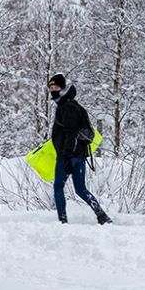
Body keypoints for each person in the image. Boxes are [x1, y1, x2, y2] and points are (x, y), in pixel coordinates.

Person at [49, 74, 112, 225]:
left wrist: (66, 155)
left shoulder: (67, 107)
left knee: (58, 187)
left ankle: (62, 221)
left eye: (56, 87)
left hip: (68, 155)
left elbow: (71, 133)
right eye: (51, 88)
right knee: (80, 189)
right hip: (80, 154)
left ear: (63, 88)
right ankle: (102, 215)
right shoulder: (75, 106)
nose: (53, 91)